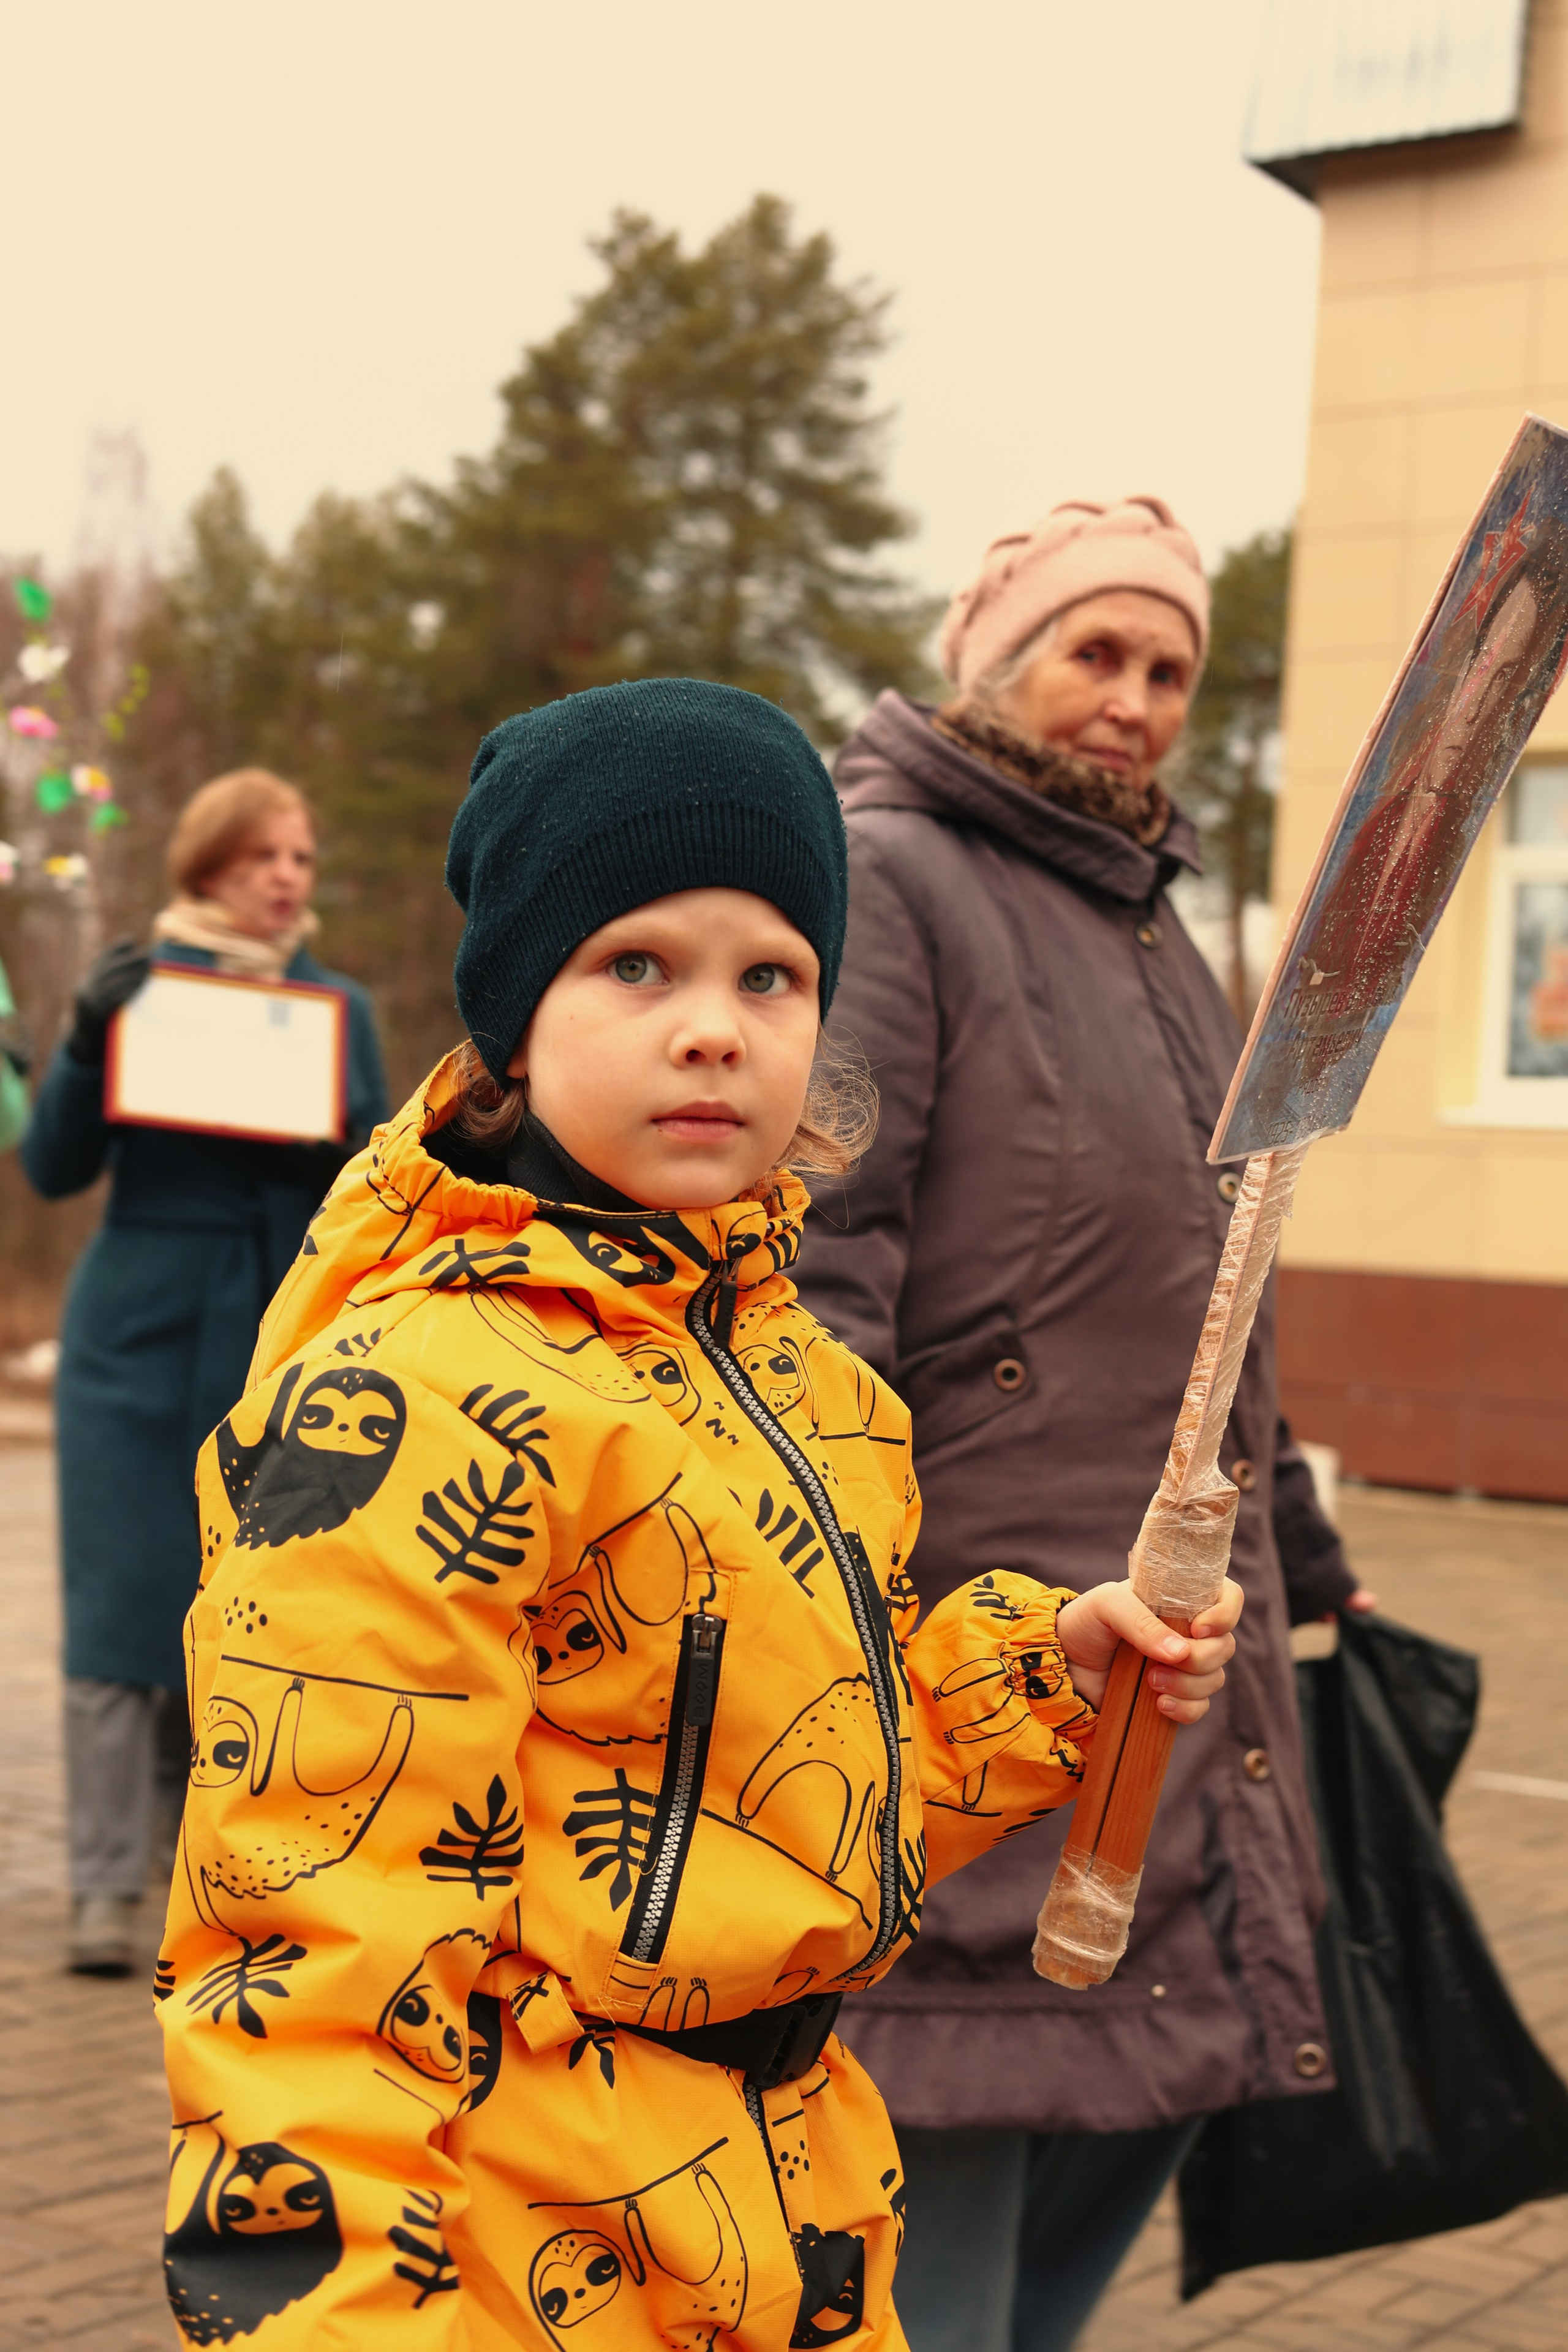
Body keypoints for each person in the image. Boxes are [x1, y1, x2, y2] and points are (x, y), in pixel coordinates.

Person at [156, 679, 1242, 2350]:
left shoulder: (813, 1388)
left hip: (789, 2211)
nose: (716, 1025)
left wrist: (1044, 1679)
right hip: (532, 2247)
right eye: (637, 964)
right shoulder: (407, 1400)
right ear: (518, 1016)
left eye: (773, 974)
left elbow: (793, 1798)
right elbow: (311, 1942)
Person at [793, 500, 1374, 2352]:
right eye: (1095, 652)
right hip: (967, 1659)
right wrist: (831, 1600)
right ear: (995, 654)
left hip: (1176, 1671)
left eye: (1170, 671)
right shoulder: (888, 874)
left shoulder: (1158, 932)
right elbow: (818, 1264)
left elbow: (1225, 1290)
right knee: (939, 2186)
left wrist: (1311, 1563)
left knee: (1126, 2118)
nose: (1133, 700)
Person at [21, 769, 389, 1977]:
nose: (290, 875)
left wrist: (342, 1127)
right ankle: (102, 1893)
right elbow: (53, 1166)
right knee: (120, 1605)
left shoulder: (337, 1006)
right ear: (210, 867)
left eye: (302, 856)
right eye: (266, 855)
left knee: (254, 1612)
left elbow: (379, 1190)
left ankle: (224, 1881)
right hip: (134, 1334)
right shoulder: (137, 989)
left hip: (280, 1338)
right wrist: (83, 1040)